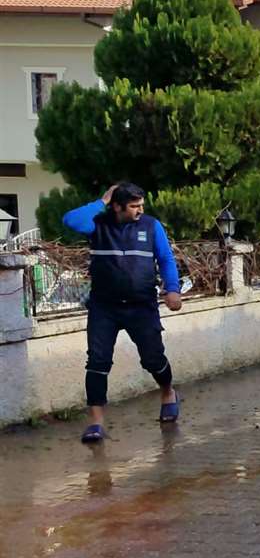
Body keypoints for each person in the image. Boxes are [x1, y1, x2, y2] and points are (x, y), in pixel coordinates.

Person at [63, 183, 183, 444]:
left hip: (142, 306)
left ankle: (168, 393)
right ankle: (95, 422)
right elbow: (70, 220)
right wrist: (101, 201)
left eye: (141, 205)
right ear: (116, 206)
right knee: (97, 361)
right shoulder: (98, 224)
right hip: (104, 307)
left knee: (153, 358)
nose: (140, 210)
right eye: (134, 206)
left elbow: (166, 259)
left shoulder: (152, 226)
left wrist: (172, 289)